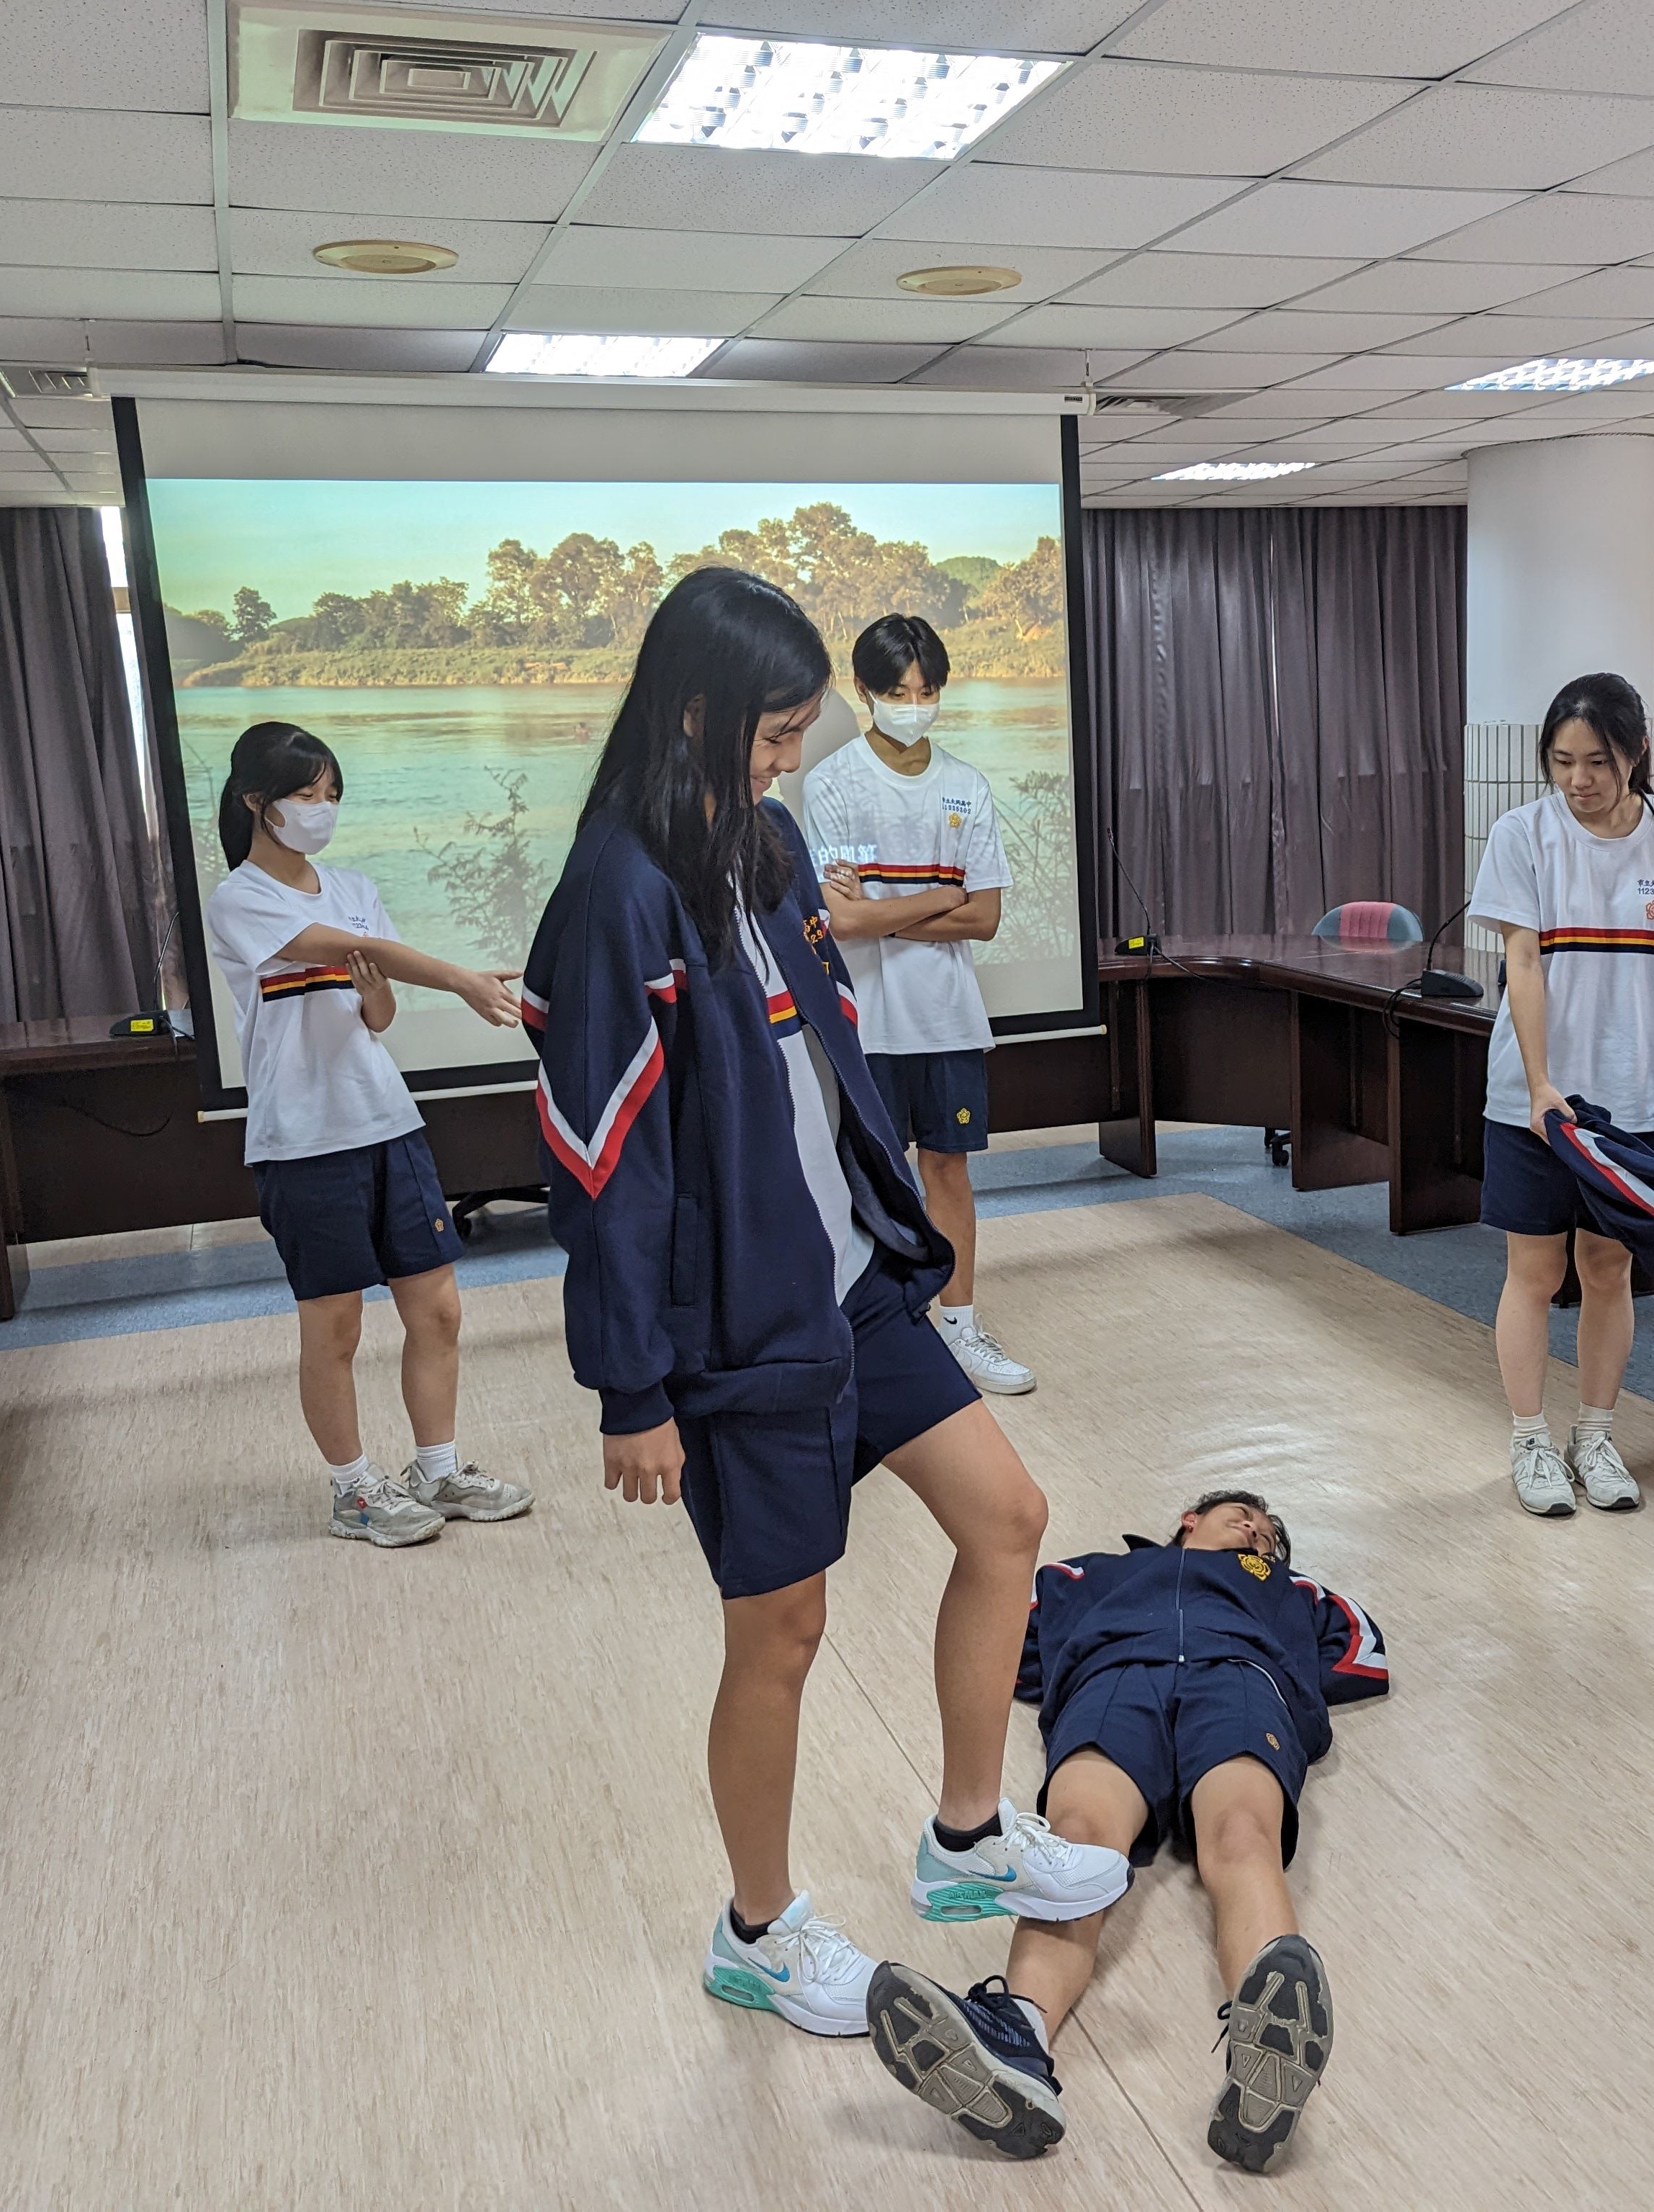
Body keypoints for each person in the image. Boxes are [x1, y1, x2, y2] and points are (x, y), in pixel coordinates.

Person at [526, 569, 1128, 2040]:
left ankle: (970, 1837)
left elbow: (825, 1067)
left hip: (853, 1286)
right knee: (780, 1633)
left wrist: (897, 1231)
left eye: (799, 730)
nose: (792, 754)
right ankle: (758, 1929)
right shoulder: (614, 893)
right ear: (697, 710)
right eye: (775, 728)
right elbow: (602, 1161)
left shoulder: (771, 846)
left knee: (1009, 1519)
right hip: (737, 1332)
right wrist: (633, 1389)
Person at [863, 1489, 1386, 2173]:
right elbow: (1001, 1636)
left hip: (1241, 1680)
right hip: (1113, 1682)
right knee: (1074, 1840)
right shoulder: (1092, 1573)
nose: (1259, 1530)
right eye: (1244, 1515)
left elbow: (1362, 1655)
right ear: (1188, 1521)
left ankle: (1269, 2045)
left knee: (1242, 1834)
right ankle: (1017, 2037)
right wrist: (1066, 1674)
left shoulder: (1289, 1585)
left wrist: (1290, 1683)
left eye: (1268, 1531)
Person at [201, 719, 535, 1548]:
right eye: (305, 796)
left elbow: (375, 1012)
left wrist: (388, 985)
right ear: (257, 803)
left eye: (332, 797)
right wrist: (453, 975)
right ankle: (354, 1490)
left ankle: (439, 1468)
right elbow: (343, 948)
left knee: (439, 1311)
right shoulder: (240, 899)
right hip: (303, 1141)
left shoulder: (353, 888)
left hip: (387, 1125)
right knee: (337, 1329)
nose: (322, 811)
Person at [1469, 672, 1654, 1517]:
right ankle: (1529, 1440)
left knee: (1608, 1266)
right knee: (1535, 1268)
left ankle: (1595, 1435)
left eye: (1598, 761)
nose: (1579, 779)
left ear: (1638, 752)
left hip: (1636, 1098)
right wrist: (1544, 1079)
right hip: (1536, 1098)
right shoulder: (1525, 834)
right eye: (1562, 761)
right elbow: (1521, 961)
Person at [806, 613, 1031, 1395]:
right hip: (861, 1024)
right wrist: (939, 891)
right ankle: (871, 1333)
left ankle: (962, 1330)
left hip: (947, 1017)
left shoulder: (966, 786)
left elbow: (987, 916)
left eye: (928, 690)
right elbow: (843, 922)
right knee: (864, 1182)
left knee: (949, 1171)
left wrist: (890, 906)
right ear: (863, 690)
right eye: (899, 691)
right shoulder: (831, 784)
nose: (915, 703)